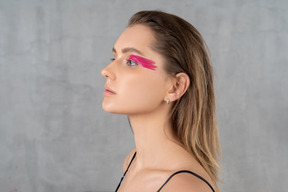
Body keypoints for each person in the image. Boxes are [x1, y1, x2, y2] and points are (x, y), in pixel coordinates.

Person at [101, 10, 221, 192]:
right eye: (114, 57)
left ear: (176, 87)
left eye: (132, 61)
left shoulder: (183, 187)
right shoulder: (132, 161)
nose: (106, 70)